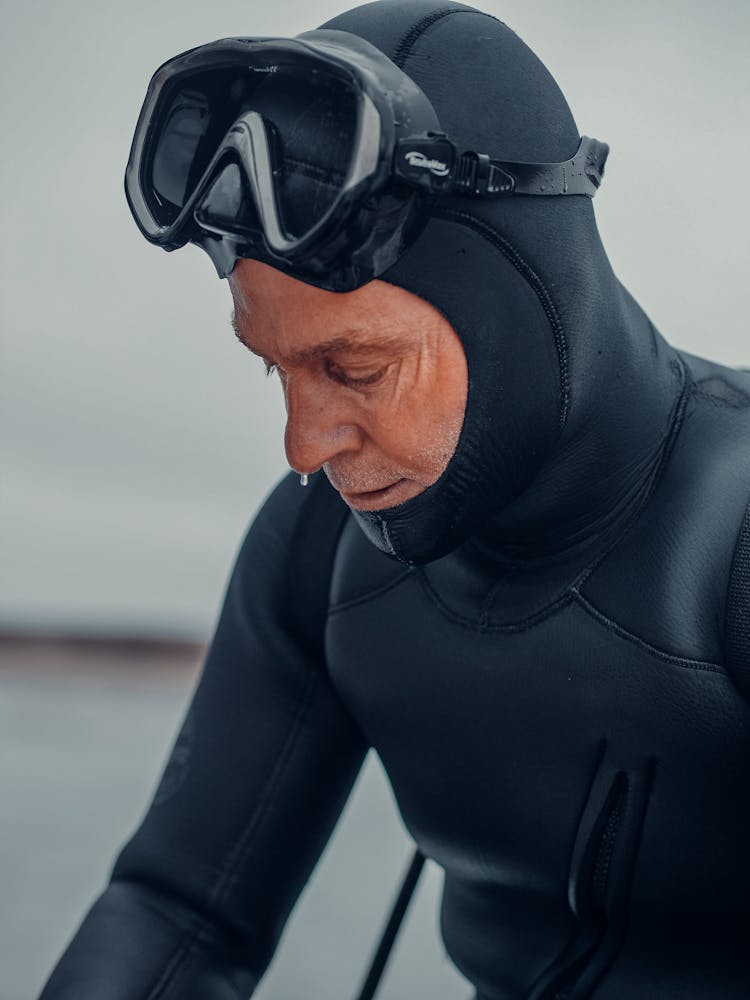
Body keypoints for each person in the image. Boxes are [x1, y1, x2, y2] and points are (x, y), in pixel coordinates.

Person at [39, 1, 750, 998]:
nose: (303, 443)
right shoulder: (318, 547)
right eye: (272, 368)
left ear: (514, 315)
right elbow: (179, 909)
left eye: (355, 367)